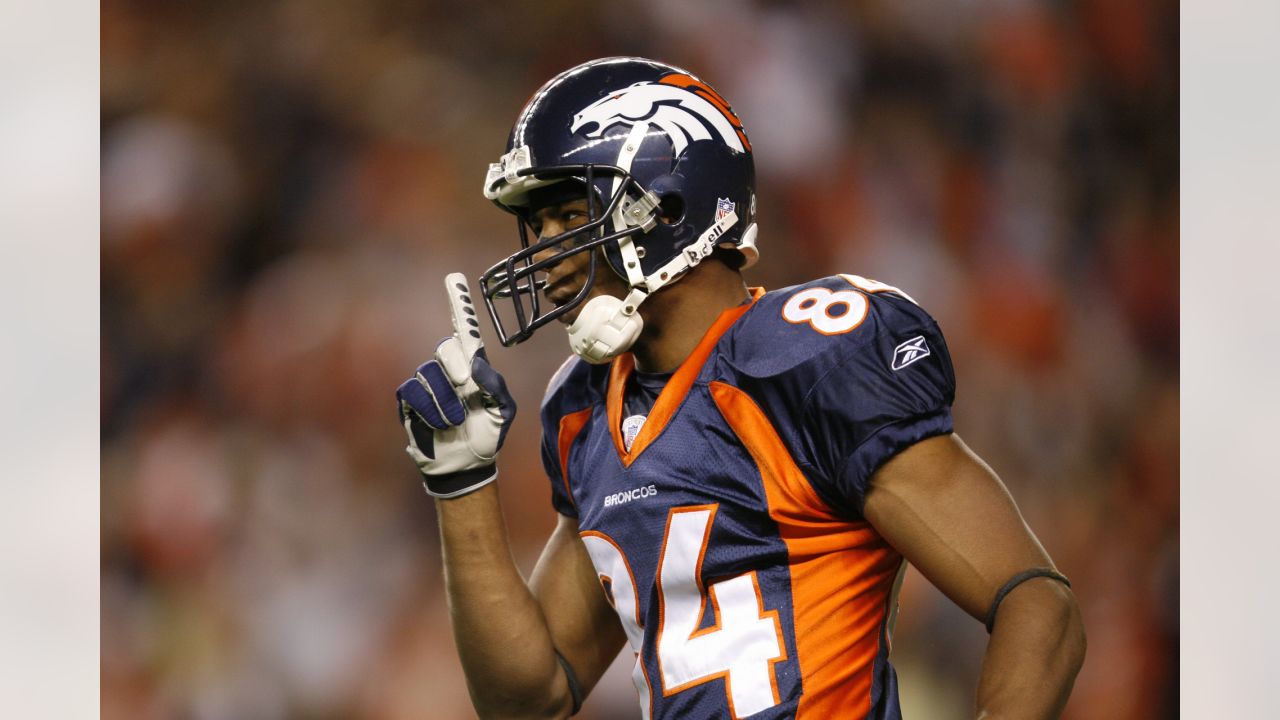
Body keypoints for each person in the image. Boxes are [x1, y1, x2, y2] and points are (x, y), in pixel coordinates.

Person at [396, 57, 1085, 719]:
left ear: (664, 206)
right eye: (537, 225)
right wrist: (461, 486)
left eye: (569, 216)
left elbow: (1035, 603)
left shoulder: (803, 359)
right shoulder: (584, 409)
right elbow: (529, 698)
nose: (543, 257)